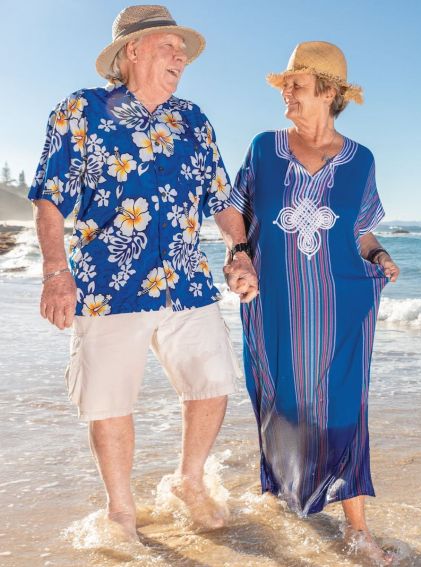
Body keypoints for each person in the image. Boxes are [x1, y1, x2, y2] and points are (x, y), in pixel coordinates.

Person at [27, 5, 257, 541]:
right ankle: (121, 510)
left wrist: (238, 249)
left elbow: (221, 197)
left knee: (213, 379)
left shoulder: (193, 119)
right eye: (169, 47)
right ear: (132, 51)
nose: (181, 57)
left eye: (183, 51)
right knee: (108, 398)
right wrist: (56, 272)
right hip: (107, 283)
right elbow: (50, 199)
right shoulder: (80, 110)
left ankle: (188, 480)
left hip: (186, 277)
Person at [228, 41, 399, 564]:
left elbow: (361, 231)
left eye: (296, 86)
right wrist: (238, 254)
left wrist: (381, 254)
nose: (287, 95)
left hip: (338, 307)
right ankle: (280, 498)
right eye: (284, 87)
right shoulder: (263, 147)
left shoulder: (360, 160)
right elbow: (234, 210)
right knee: (280, 402)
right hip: (274, 303)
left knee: (345, 407)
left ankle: (356, 530)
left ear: (328, 92)